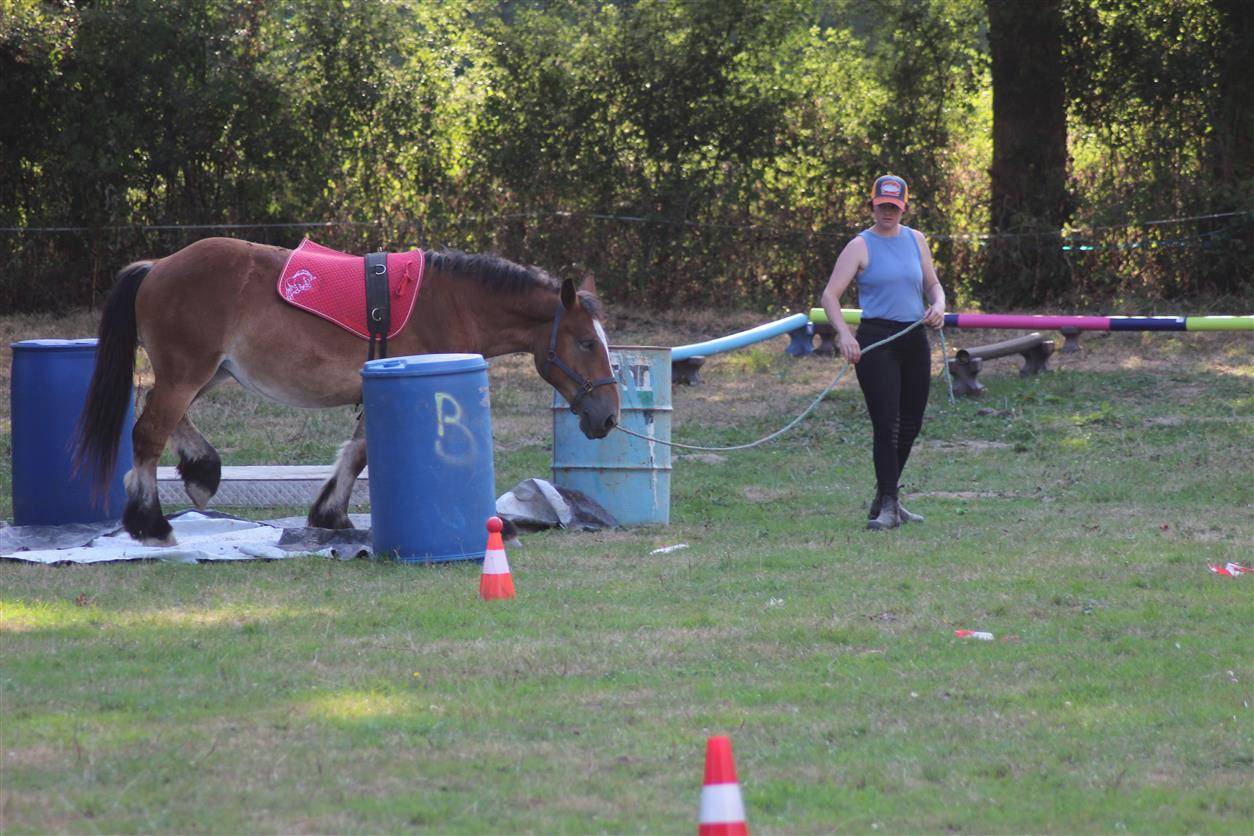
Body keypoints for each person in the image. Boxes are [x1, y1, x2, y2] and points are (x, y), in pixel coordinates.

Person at [820, 174, 946, 530]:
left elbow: (933, 284)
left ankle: (886, 498)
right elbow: (830, 296)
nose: (887, 212)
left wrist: (938, 305)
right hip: (877, 340)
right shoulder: (860, 245)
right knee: (886, 423)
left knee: (911, 423)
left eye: (894, 207)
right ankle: (888, 504)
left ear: (904, 208)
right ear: (872, 206)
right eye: (882, 206)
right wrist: (844, 335)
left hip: (913, 338)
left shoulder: (916, 240)